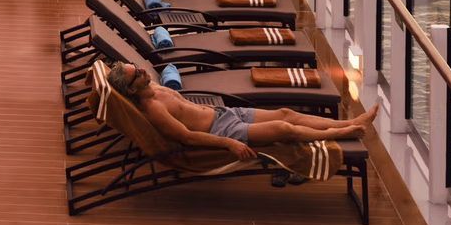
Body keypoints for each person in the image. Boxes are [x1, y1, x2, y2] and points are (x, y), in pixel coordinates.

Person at [105, 62, 376, 161]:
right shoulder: (153, 109)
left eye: (136, 67)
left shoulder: (153, 87)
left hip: (224, 112)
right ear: (131, 89)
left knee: (286, 113)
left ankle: (351, 121)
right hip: (222, 130)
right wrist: (229, 144)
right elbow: (186, 137)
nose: (141, 70)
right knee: (284, 129)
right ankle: (343, 132)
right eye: (136, 74)